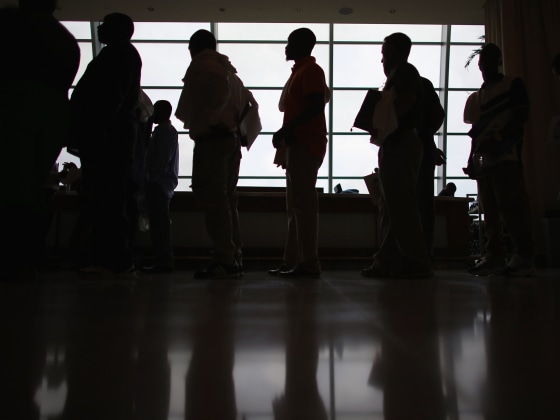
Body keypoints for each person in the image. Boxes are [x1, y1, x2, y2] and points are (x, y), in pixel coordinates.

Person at [0, 0, 79, 280]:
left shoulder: (10, 24)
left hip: (16, 107)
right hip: (52, 115)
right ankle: (25, 258)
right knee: (31, 187)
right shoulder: (66, 42)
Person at [70, 12, 142, 277]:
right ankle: (113, 258)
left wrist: (95, 129)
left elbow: (108, 99)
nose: (99, 30)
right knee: (110, 198)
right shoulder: (123, 55)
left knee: (108, 198)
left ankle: (113, 259)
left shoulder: (117, 56)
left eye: (104, 26)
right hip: (113, 137)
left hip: (108, 139)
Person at [361, 32, 432, 279]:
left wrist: (383, 123)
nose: (382, 57)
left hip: (399, 142)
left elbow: (406, 101)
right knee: (392, 206)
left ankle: (416, 261)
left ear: (395, 52)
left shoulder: (404, 73)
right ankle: (389, 260)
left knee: (400, 205)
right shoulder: (401, 74)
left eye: (384, 52)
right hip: (397, 142)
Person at [175, 29, 244, 279]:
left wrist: (214, 119)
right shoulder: (229, 70)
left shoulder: (205, 65)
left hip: (213, 140)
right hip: (231, 139)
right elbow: (248, 104)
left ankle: (224, 257)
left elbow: (214, 94)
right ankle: (234, 255)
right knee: (227, 199)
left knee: (213, 199)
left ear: (194, 46)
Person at [463, 43, 535, 277]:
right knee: (490, 209)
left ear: (497, 61)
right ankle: (494, 255)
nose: (484, 66)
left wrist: (501, 139)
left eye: (489, 61)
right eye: (482, 62)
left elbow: (520, 117)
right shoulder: (479, 96)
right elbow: (476, 131)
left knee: (512, 206)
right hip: (486, 158)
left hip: (506, 154)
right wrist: (472, 158)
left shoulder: (512, 85)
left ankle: (523, 255)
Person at [268, 27, 330, 278]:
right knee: (296, 205)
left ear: (303, 45)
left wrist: (288, 128)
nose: (286, 46)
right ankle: (294, 259)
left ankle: (308, 262)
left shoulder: (311, 71)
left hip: (305, 142)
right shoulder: (302, 72)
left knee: (302, 205)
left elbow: (315, 106)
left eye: (290, 42)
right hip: (299, 142)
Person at [142, 100, 179, 273]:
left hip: (159, 183)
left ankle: (163, 260)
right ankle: (163, 260)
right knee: (159, 223)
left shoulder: (164, 132)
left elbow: (163, 158)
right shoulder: (166, 131)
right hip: (162, 183)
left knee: (159, 224)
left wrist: (151, 176)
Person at [417, 76, 446, 257]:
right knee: (424, 206)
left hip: (418, 151)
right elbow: (438, 115)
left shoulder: (393, 87)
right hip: (424, 149)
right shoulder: (423, 84)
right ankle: (424, 255)